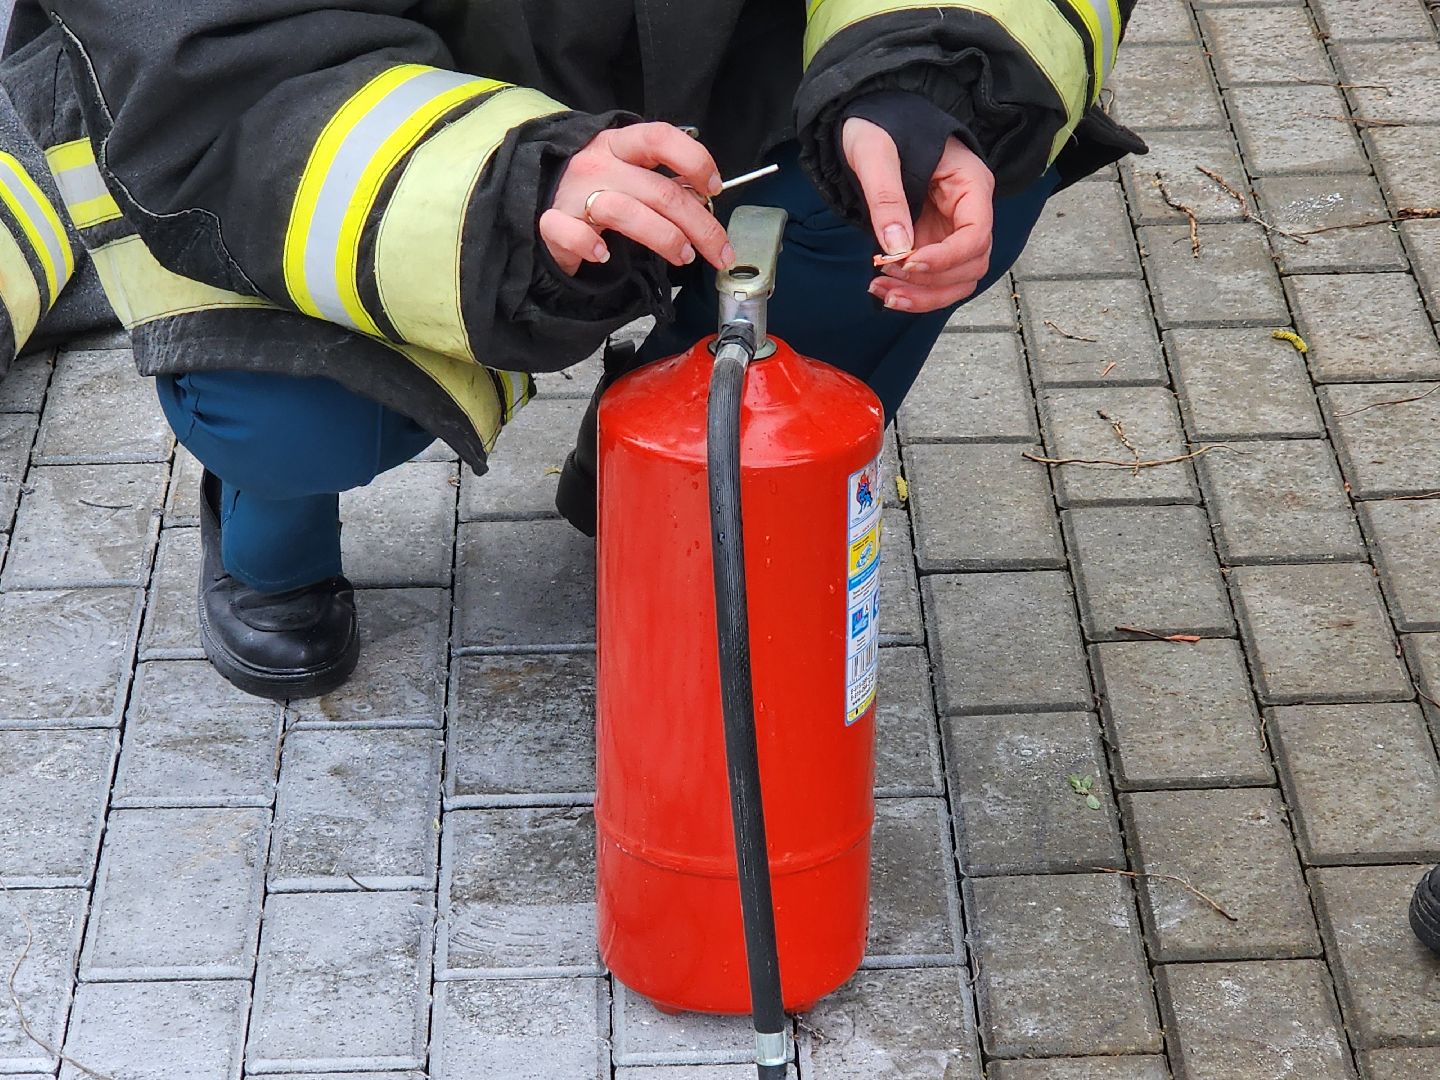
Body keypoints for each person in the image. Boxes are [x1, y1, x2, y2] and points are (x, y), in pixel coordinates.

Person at [0, 1, 1143, 699]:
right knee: (296, 411)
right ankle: (272, 537)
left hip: (749, 89)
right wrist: (515, 187)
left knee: (938, 169)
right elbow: (220, 62)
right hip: (358, 136)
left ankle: (675, 464)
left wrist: (915, 76)